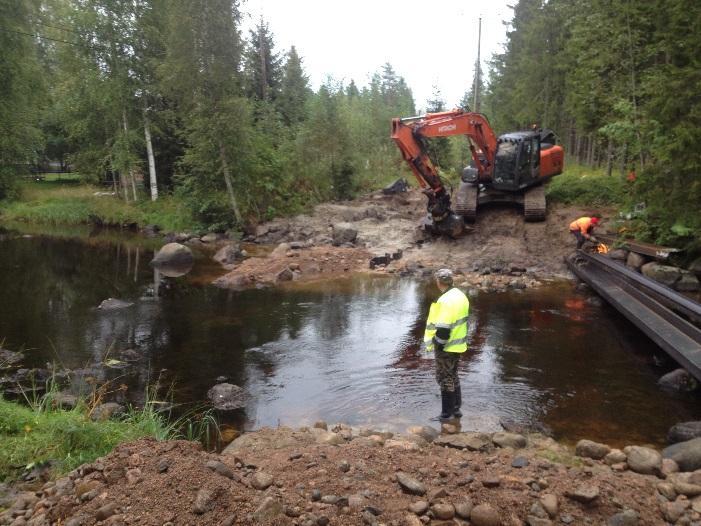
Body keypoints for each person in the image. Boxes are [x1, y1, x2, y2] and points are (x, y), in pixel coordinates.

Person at [422, 269, 470, 422]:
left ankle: (446, 413)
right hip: (458, 344)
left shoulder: (446, 300)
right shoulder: (460, 295)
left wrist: (438, 344)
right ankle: (456, 409)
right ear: (451, 280)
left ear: (438, 282)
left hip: (446, 346)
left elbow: (443, 329)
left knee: (444, 377)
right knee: (453, 375)